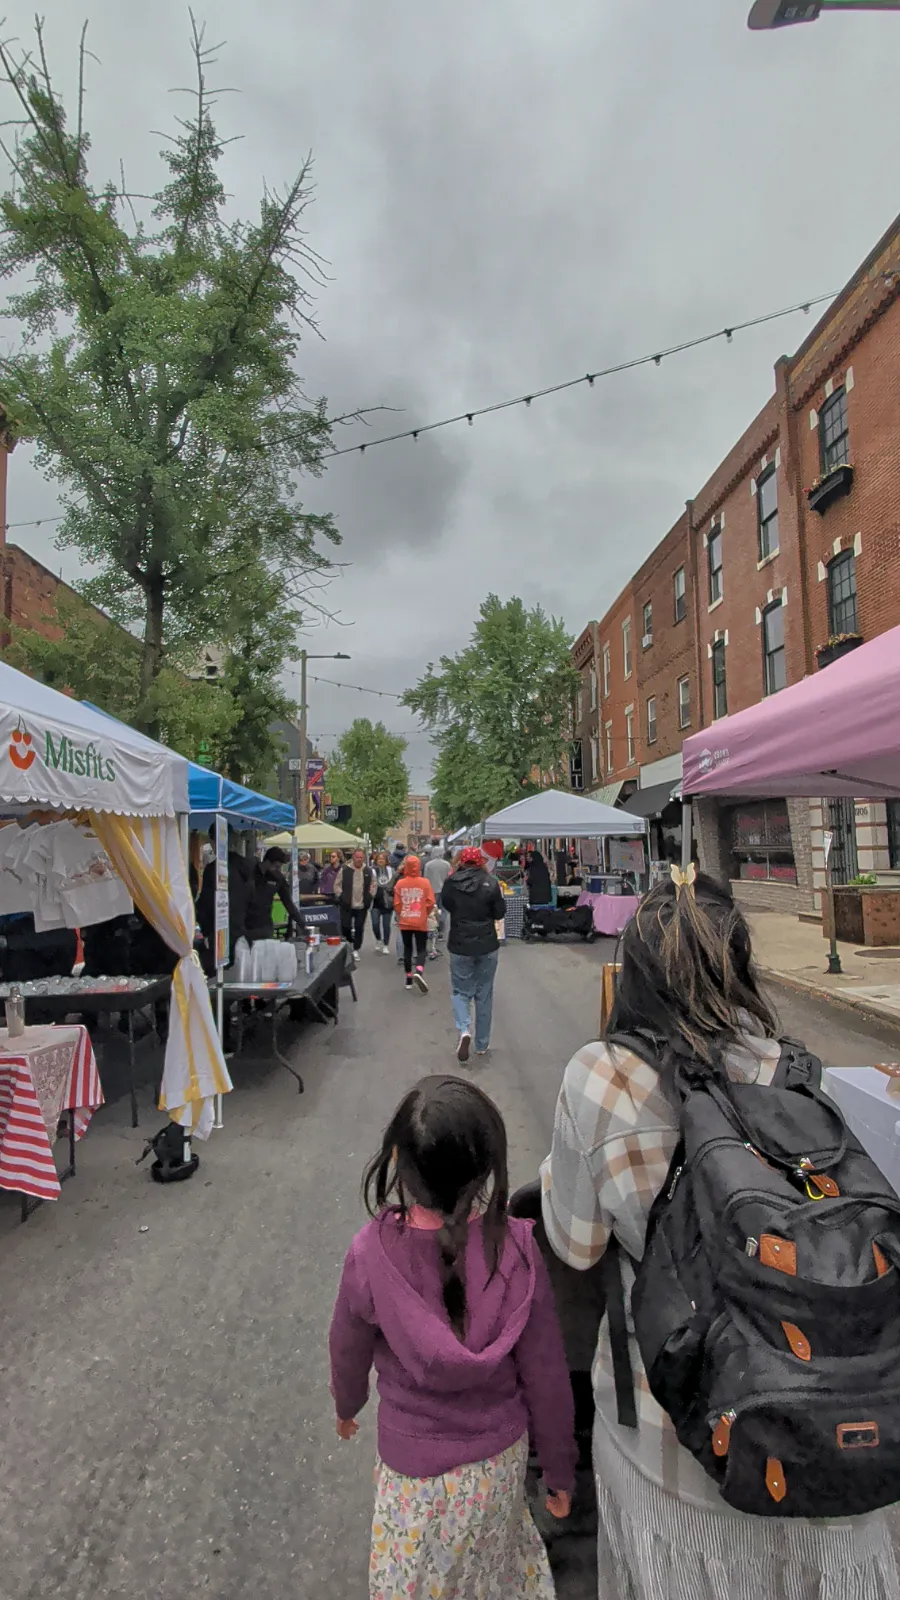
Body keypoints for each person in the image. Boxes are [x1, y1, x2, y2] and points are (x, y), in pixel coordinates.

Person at [540, 872, 900, 1600]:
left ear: (634, 971)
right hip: (821, 1422)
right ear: (738, 964)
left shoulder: (599, 1076)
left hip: (674, 1435)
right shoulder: (790, 1069)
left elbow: (576, 1244)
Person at [329, 1075, 576, 1599]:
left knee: (417, 1579)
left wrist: (347, 1406)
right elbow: (547, 1376)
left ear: (397, 1160)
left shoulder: (370, 1254)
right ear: (487, 1167)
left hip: (410, 1469)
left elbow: (346, 1348)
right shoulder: (519, 1252)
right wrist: (559, 1471)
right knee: (490, 1574)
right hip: (498, 1467)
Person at [441, 845, 506, 1063]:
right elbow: (500, 912)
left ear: (461, 861)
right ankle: (482, 1044)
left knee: (460, 991)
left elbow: (447, 905)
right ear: (480, 862)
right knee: (484, 994)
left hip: (460, 943)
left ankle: (464, 1029)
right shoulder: (491, 883)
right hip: (487, 943)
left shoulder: (451, 883)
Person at [393, 853, 435, 992]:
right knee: (422, 948)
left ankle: (408, 979)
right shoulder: (425, 883)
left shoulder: (400, 883)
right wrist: (425, 913)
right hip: (420, 920)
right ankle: (419, 970)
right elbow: (430, 902)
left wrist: (402, 914)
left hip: (405, 920)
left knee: (407, 949)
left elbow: (397, 904)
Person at [246, 847, 307, 942]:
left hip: (265, 925)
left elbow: (288, 903)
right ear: (268, 861)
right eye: (277, 866)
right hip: (246, 924)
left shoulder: (278, 878)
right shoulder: (250, 873)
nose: (278, 869)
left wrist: (302, 923)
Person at [336, 847, 374, 964]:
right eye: (357, 857)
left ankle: (356, 948)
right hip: (347, 904)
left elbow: (373, 885)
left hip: (362, 905)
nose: (359, 859)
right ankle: (349, 942)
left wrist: (370, 896)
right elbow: (337, 884)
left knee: (359, 927)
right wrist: (340, 895)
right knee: (345, 926)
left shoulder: (368, 871)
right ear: (353, 857)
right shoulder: (345, 869)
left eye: (361, 857)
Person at [424, 847, 452, 955]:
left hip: (432, 890)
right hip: (444, 889)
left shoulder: (429, 865)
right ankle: (441, 931)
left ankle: (432, 930)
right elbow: (449, 877)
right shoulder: (447, 864)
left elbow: (425, 878)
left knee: (432, 911)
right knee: (444, 911)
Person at [369, 850, 394, 954]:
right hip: (375, 901)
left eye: (383, 859)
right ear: (376, 860)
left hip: (387, 902)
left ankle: (386, 945)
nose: (381, 861)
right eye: (379, 859)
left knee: (386, 925)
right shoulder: (372, 870)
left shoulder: (391, 870)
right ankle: (378, 939)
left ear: (386, 861)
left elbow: (393, 883)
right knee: (375, 924)